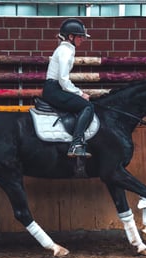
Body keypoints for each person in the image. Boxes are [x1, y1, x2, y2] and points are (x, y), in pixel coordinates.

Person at [42, 18, 94, 158]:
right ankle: (76, 144)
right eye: (80, 36)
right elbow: (63, 80)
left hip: (54, 88)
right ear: (71, 37)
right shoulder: (65, 51)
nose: (82, 39)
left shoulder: (65, 49)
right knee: (87, 107)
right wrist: (80, 93)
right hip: (54, 89)